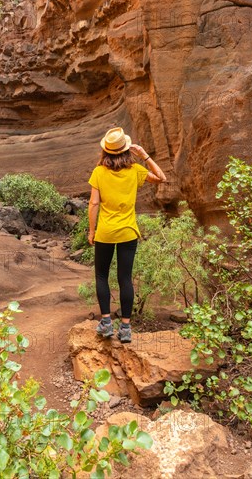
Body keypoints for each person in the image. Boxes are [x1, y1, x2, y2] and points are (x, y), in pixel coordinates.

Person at [88, 127, 167, 343]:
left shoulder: (98, 172)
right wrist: (145, 156)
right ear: (126, 149)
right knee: (125, 279)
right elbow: (161, 178)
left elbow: (94, 203)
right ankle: (125, 328)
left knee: (102, 276)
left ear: (106, 151)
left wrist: (92, 230)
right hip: (128, 232)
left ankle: (105, 323)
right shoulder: (135, 170)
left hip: (105, 232)